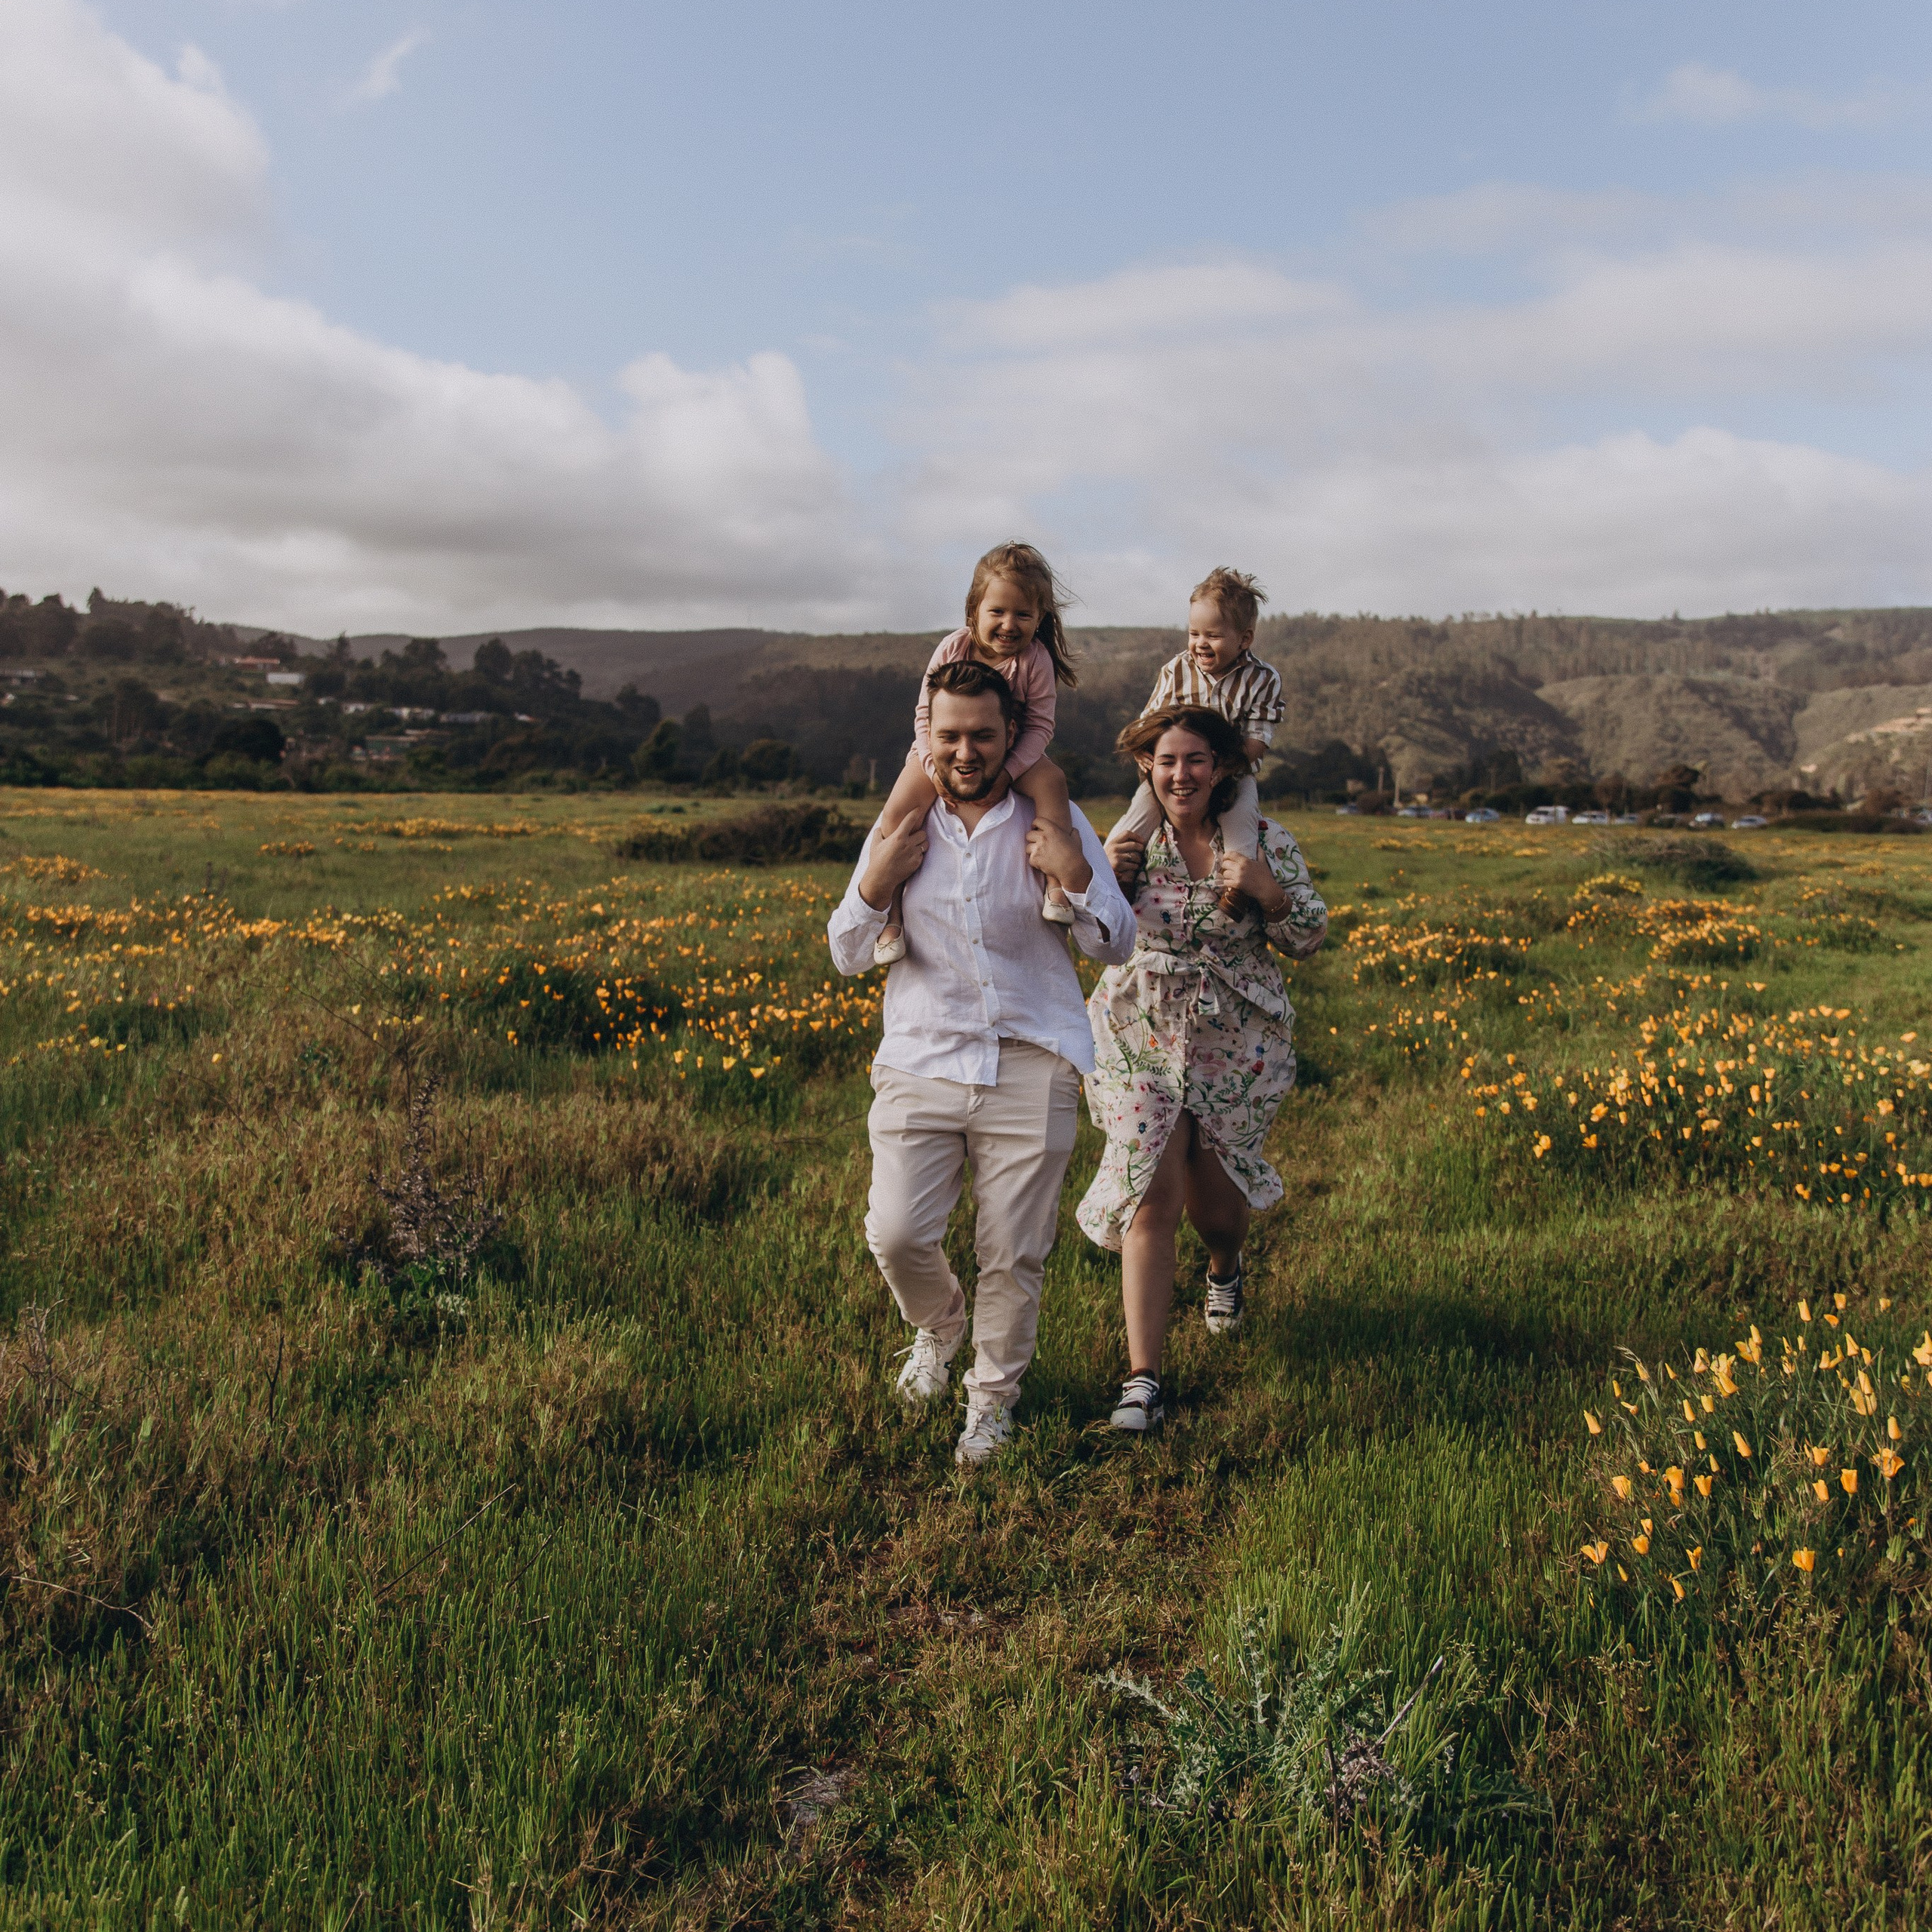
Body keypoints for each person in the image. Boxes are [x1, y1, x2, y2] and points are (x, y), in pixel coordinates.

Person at [828, 659, 1137, 1466]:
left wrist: (1073, 878)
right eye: (950, 735)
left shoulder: (1056, 818)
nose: (966, 751)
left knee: (1013, 1251)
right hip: (922, 1056)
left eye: (983, 735)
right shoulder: (903, 825)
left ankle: (991, 1405)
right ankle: (938, 1326)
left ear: (1012, 737)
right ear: (926, 735)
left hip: (1033, 1059)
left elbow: (1118, 941)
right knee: (895, 1234)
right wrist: (872, 885)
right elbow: (845, 952)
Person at [1078, 704, 1327, 1433]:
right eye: (1165, 761)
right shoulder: (1126, 843)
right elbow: (1083, 932)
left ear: (1220, 768)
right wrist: (1100, 880)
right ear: (1147, 770)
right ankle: (1142, 1381)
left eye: (1194, 760)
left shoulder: (1263, 842)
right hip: (1137, 1030)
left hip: (1234, 1036)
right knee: (1151, 1193)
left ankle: (1225, 1270)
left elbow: (1308, 934)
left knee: (1216, 1209)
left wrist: (1265, 892)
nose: (1179, 773)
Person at [870, 541, 1082, 967]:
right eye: (997, 612)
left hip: (1015, 751)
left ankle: (1058, 883)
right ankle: (890, 916)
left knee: (1053, 783)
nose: (1009, 624)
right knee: (895, 814)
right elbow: (924, 716)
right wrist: (932, 769)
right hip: (939, 753)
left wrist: (1009, 773)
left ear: (1040, 618)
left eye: (1023, 615)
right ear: (974, 612)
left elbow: (1040, 726)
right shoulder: (953, 647)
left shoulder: (1035, 660)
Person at [1109, 568, 1284, 919]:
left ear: (1244, 639)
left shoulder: (1262, 679)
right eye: (1194, 633)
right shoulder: (1176, 670)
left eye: (1214, 635)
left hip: (1234, 770)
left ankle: (1236, 890)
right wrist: (1144, 754)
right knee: (1139, 815)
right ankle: (1116, 874)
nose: (1200, 643)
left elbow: (1258, 737)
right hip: (1175, 767)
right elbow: (1149, 721)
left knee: (1242, 818)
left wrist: (1225, 769)